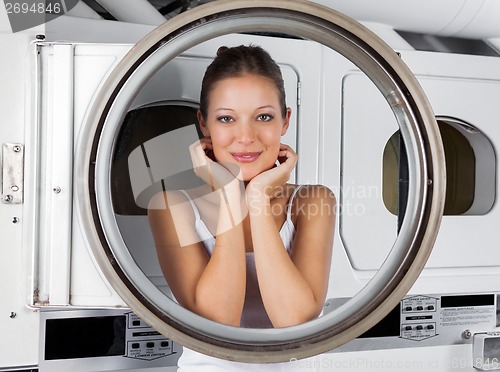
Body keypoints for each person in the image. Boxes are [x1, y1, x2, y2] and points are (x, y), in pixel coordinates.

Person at [148, 45, 335, 371]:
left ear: (285, 120)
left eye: (263, 117)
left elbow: (294, 324)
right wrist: (231, 198)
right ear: (204, 124)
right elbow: (218, 323)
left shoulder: (312, 202)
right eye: (226, 118)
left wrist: (258, 200)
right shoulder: (172, 206)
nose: (245, 137)